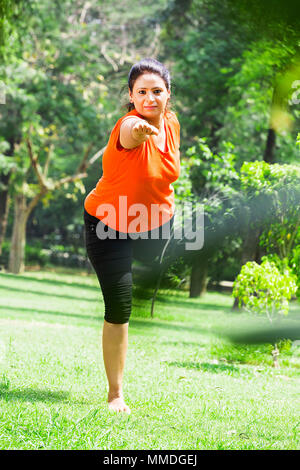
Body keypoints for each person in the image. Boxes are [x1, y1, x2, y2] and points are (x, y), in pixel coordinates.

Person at [83, 58, 180, 414]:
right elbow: (131, 132)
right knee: (120, 307)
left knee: (158, 266)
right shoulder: (128, 125)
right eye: (142, 92)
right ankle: (115, 394)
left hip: (155, 222)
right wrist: (140, 131)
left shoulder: (171, 123)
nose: (150, 98)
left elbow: (167, 169)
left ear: (168, 94)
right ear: (131, 96)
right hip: (108, 224)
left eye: (157, 91)